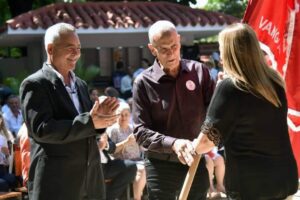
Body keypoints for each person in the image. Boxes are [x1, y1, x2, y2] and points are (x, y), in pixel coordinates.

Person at [192, 23, 299, 199]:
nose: (220, 58)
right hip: (283, 179)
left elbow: (206, 142)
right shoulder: (274, 81)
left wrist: (191, 147)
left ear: (230, 53)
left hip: (252, 186)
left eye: (222, 51)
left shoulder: (230, 88)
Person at [19, 23, 119, 200]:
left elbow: (88, 126)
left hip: (90, 182)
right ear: (51, 49)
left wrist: (101, 122)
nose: (76, 54)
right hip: (57, 185)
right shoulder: (35, 84)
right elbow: (42, 129)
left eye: (79, 48)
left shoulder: (80, 84)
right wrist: (91, 122)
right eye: (70, 48)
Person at [132, 20, 215, 199]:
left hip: (195, 160)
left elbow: (216, 115)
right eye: (163, 49)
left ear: (179, 40)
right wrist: (174, 143)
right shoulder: (143, 82)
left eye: (174, 46)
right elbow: (140, 132)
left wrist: (208, 140)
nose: (171, 53)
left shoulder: (199, 71)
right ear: (152, 49)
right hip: (160, 166)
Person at [108, 102, 146, 200]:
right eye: (121, 114)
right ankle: (138, 198)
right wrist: (127, 142)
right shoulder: (113, 130)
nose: (124, 117)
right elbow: (112, 151)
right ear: (116, 115)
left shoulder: (133, 129)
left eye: (126, 115)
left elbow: (142, 147)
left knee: (147, 167)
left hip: (137, 159)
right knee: (141, 170)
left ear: (130, 116)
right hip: (122, 161)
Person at [97, 133, 137, 200]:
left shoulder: (101, 129)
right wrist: (97, 145)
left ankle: (109, 197)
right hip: (90, 166)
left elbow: (113, 148)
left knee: (131, 166)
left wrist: (106, 144)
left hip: (106, 165)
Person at [0, 113, 17, 191]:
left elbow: (7, 163)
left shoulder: (2, 138)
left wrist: (7, 155)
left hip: (2, 170)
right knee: (3, 184)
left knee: (13, 179)